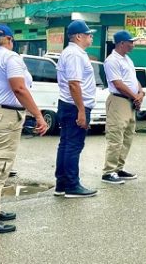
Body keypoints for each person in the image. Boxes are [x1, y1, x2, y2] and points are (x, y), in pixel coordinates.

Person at [0, 25, 47, 234]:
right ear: (8, 39)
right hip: (4, 117)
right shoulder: (11, 58)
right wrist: (38, 115)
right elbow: (19, 88)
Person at [54, 20, 99, 198]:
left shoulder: (73, 52)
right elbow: (74, 84)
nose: (91, 37)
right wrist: (81, 111)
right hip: (75, 106)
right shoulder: (74, 54)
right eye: (89, 34)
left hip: (70, 104)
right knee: (73, 145)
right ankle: (71, 185)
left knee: (66, 144)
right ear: (79, 36)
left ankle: (62, 184)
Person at [102, 30, 144, 185]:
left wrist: (140, 93)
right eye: (130, 42)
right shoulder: (112, 60)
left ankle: (119, 168)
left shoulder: (127, 59)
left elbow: (133, 79)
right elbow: (118, 84)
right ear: (121, 43)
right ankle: (108, 171)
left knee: (127, 136)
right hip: (119, 101)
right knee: (116, 136)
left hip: (130, 102)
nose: (133, 44)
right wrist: (135, 97)